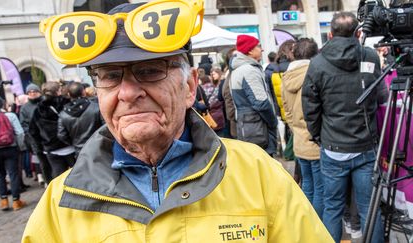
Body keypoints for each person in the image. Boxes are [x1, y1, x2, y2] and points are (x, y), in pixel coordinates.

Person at [23, 2, 332, 242]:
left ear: (189, 87)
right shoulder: (60, 203)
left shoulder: (258, 173)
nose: (128, 92)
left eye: (149, 71)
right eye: (110, 76)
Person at [302, 12, 388, 243]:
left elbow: (310, 107)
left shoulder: (317, 63)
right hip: (364, 145)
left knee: (333, 209)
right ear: (358, 33)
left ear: (330, 34)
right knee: (369, 209)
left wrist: (318, 135)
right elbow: (381, 96)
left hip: (334, 146)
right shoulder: (369, 56)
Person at [281, 38, 323, 217]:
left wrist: (296, 128)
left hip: (299, 138)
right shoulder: (315, 73)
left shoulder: (287, 76)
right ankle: (317, 226)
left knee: (307, 184)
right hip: (316, 139)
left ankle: (306, 222)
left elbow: (286, 110)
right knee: (320, 188)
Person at [230, 34, 278, 156]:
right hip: (258, 130)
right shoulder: (249, 70)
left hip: (249, 129)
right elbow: (261, 103)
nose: (261, 49)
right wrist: (273, 122)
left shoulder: (238, 69)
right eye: (258, 46)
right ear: (250, 51)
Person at [29, 81, 75, 181]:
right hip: (70, 145)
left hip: (51, 148)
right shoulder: (67, 103)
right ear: (58, 91)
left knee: (59, 180)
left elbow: (33, 131)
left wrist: (41, 146)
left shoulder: (38, 109)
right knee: (78, 176)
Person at [57, 82, 103, 157]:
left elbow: (62, 135)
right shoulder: (96, 107)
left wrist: (75, 143)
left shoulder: (63, 115)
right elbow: (105, 127)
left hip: (81, 151)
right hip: (98, 147)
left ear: (69, 94)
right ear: (84, 92)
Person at [19, 83, 51, 186]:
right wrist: (32, 134)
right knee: (43, 163)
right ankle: (48, 182)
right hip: (36, 140)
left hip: (50, 138)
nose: (32, 94)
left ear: (39, 92)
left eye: (34, 91)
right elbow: (23, 124)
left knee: (55, 161)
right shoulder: (24, 108)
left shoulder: (45, 102)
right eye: (30, 92)